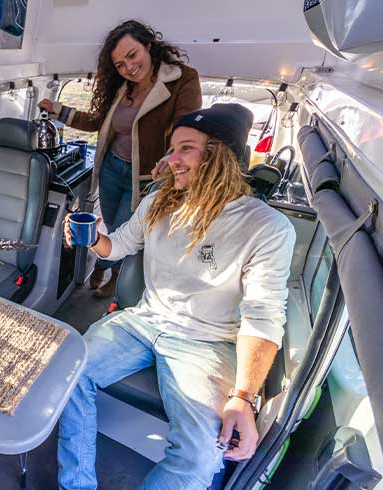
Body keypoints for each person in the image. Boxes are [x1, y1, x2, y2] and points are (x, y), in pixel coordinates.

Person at [58, 103, 296, 489]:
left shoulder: (266, 226)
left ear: (221, 155)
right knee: (66, 374)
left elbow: (262, 315)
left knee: (201, 455)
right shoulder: (158, 202)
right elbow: (118, 246)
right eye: (172, 149)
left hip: (207, 343)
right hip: (143, 321)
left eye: (185, 148)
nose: (171, 159)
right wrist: (94, 239)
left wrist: (243, 398)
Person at [38, 19, 202, 298]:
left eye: (132, 55)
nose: (128, 67)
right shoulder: (121, 87)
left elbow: (185, 128)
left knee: (126, 231)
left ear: (148, 46)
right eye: (120, 64)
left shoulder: (182, 79)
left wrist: (170, 158)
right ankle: (103, 265)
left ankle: (114, 276)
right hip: (112, 168)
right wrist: (57, 110)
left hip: (147, 175)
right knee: (110, 223)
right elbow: (96, 122)